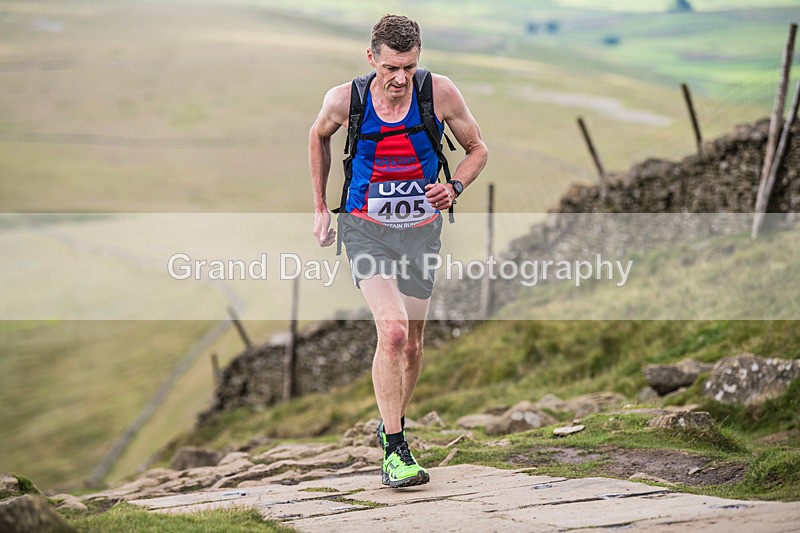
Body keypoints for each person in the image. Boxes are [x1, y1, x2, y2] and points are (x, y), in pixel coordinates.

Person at [309, 14, 487, 488]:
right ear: (372, 59)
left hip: (421, 233)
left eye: (409, 66)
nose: (400, 78)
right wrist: (321, 209)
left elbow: (477, 149)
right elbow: (318, 135)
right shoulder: (345, 100)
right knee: (391, 332)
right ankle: (394, 447)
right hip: (365, 229)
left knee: (412, 346)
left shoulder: (440, 93)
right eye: (391, 67)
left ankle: (393, 425)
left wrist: (454, 186)